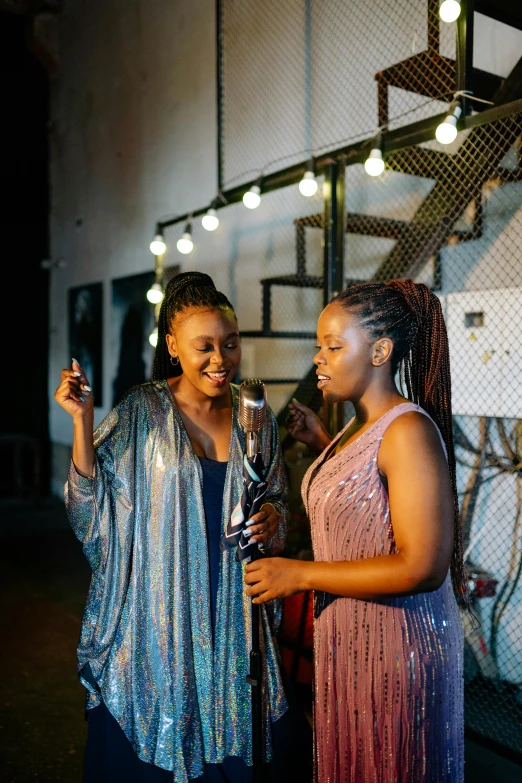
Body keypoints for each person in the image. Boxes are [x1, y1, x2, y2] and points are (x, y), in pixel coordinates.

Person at [56, 271, 301, 782]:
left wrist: (275, 513)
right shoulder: (142, 410)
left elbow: (276, 495)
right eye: (204, 346)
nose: (220, 359)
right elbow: (90, 503)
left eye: (230, 344)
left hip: (235, 609)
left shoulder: (255, 412)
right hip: (159, 613)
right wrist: (82, 421)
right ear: (172, 345)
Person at [244, 280, 465, 782]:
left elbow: (423, 566)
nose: (318, 359)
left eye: (333, 347)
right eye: (318, 347)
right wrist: (322, 443)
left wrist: (299, 574)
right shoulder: (355, 426)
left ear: (381, 351)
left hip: (396, 649)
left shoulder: (408, 430)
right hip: (350, 639)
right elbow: (365, 498)